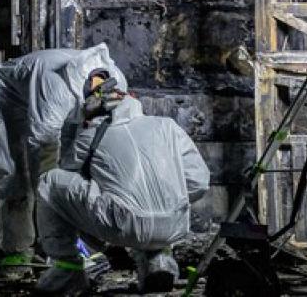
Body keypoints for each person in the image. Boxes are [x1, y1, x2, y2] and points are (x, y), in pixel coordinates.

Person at [34, 89, 209, 295]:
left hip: (121, 225)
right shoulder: (168, 126)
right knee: (150, 199)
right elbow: (199, 182)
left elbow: (68, 185)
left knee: (49, 182)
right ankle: (158, 261)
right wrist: (168, 202)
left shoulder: (90, 136)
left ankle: (68, 270)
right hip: (174, 226)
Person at [0, 44, 127, 278]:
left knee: (71, 172)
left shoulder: (117, 82)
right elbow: (45, 170)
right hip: (6, 97)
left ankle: (66, 242)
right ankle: (18, 251)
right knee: (16, 175)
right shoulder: (55, 92)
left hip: (52, 103)